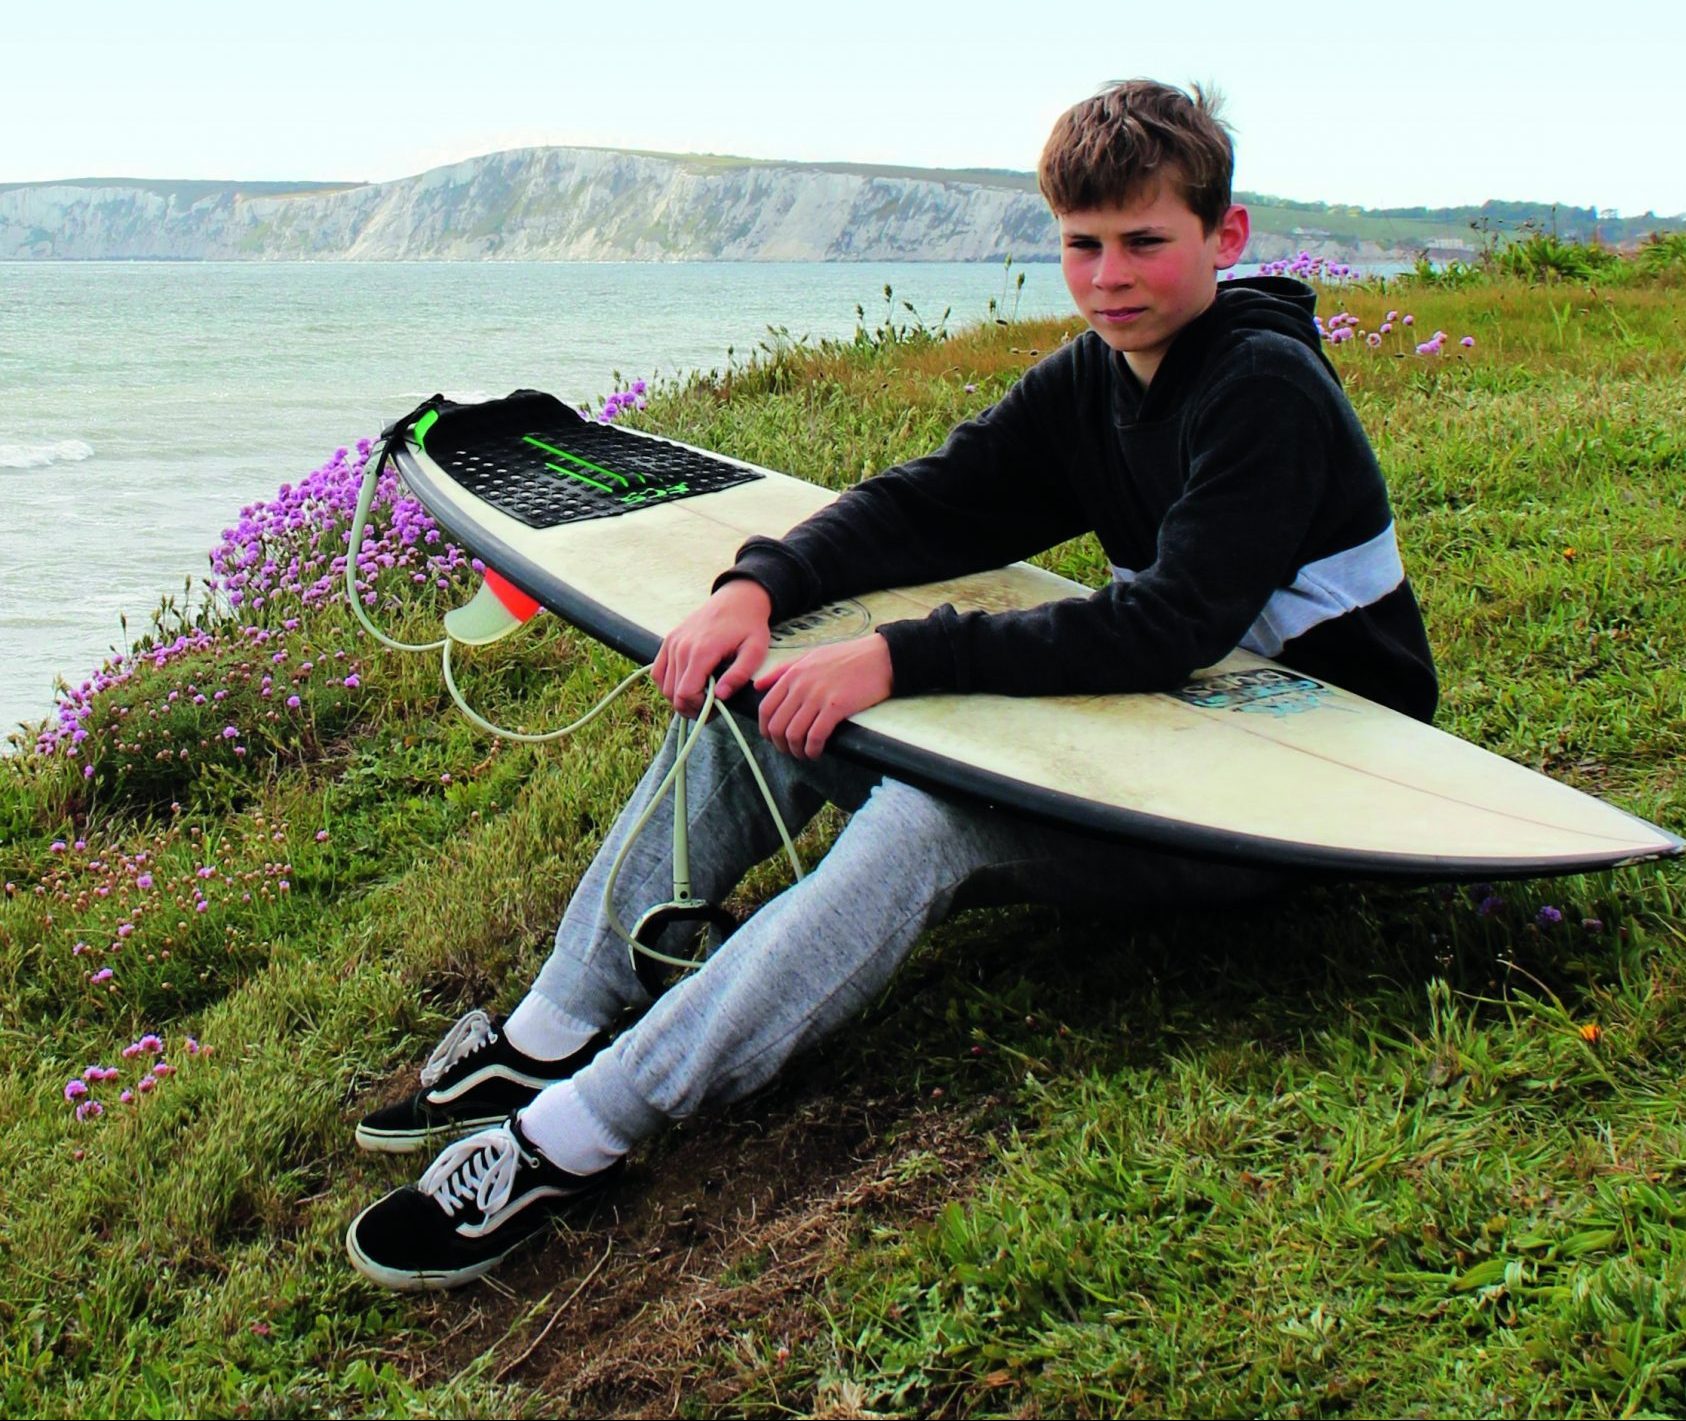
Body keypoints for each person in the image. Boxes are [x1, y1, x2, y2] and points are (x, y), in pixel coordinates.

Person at [345, 78, 1438, 1291]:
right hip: (1169, 726)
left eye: (1146, 241)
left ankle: (578, 1135)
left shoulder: (1261, 387)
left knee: (927, 819)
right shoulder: (1098, 378)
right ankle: (553, 1023)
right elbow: (933, 501)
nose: (1110, 275)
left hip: (1311, 786)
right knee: (769, 691)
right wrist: (755, 586)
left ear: (1223, 240)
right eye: (1083, 244)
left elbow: (1170, 623)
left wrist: (904, 654)